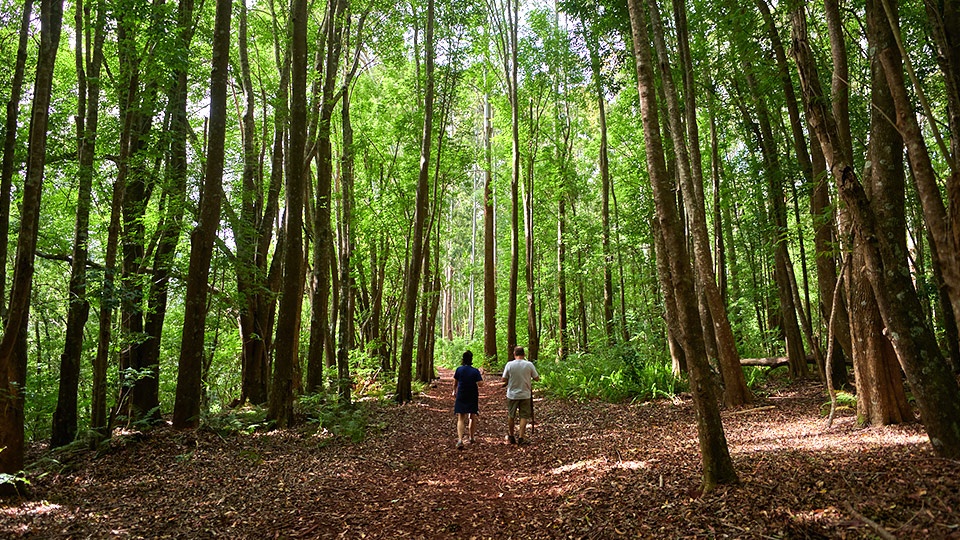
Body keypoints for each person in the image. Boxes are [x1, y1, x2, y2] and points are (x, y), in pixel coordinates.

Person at [501, 346, 539, 445]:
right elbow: (536, 378)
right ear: (524, 354)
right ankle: (521, 437)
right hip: (525, 394)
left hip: (512, 395)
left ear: (514, 354)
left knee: (511, 415)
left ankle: (512, 435)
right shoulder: (529, 364)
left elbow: (503, 379)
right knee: (524, 416)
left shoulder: (509, 364)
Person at [452, 350, 482, 449]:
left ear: (463, 359)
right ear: (471, 359)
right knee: (472, 416)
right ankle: (471, 437)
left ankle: (460, 440)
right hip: (472, 394)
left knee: (461, 417)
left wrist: (454, 391)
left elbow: (455, 382)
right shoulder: (475, 371)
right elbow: (480, 384)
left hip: (461, 394)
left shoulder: (459, 369)